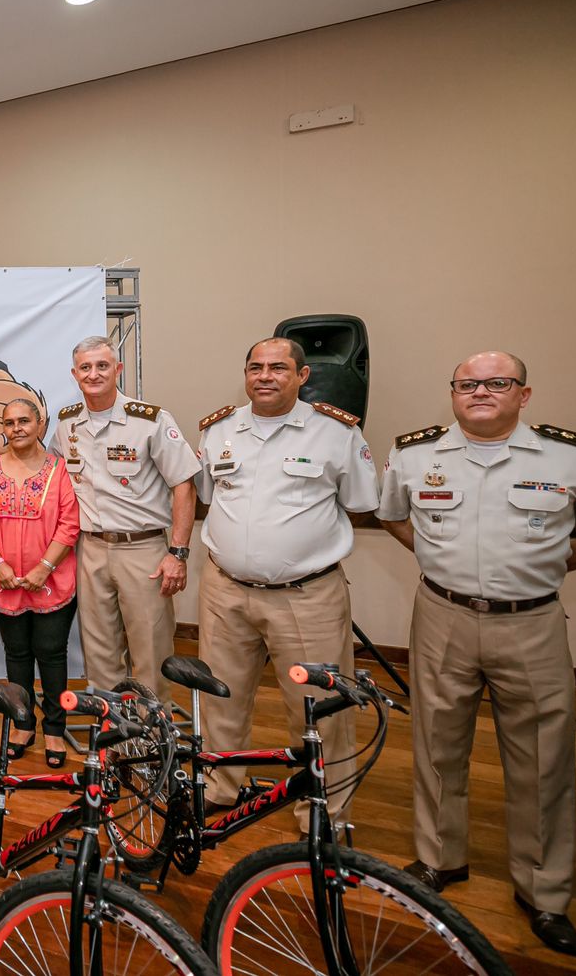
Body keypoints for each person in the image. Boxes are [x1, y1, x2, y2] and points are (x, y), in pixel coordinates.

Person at [378, 352, 576, 957]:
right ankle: (440, 859)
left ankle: (545, 891)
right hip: (442, 615)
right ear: (453, 392)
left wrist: (542, 566)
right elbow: (394, 518)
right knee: (436, 742)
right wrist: (441, 562)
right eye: (468, 383)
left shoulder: (570, 458)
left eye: (497, 382)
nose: (481, 392)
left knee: (543, 756)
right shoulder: (414, 455)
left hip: (531, 622)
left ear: (524, 394)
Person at [194, 337, 379, 827]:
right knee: (220, 697)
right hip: (225, 589)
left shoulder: (336, 433)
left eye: (278, 368)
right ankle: (221, 786)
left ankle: (324, 809)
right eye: (255, 367)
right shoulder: (218, 430)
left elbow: (361, 504)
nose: (265, 376)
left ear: (302, 376)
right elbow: (208, 497)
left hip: (306, 596)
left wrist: (298, 548)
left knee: (320, 708)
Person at [49, 336, 199, 702]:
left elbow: (184, 484)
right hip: (90, 549)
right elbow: (49, 473)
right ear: (74, 374)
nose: (94, 374)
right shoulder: (67, 424)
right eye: (85, 367)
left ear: (117, 369)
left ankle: (152, 726)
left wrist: (178, 552)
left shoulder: (150, 420)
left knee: (150, 646)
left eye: (102, 366)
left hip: (142, 550)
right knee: (99, 648)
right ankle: (111, 727)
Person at [0, 398, 79, 766]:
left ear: (39, 423)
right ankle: (23, 723)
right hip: (5, 581)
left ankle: (56, 729)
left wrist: (44, 568)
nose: (17, 428)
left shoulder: (59, 469)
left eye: (24, 421)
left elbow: (69, 524)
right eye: (10, 422)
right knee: (16, 654)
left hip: (52, 580)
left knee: (51, 653)